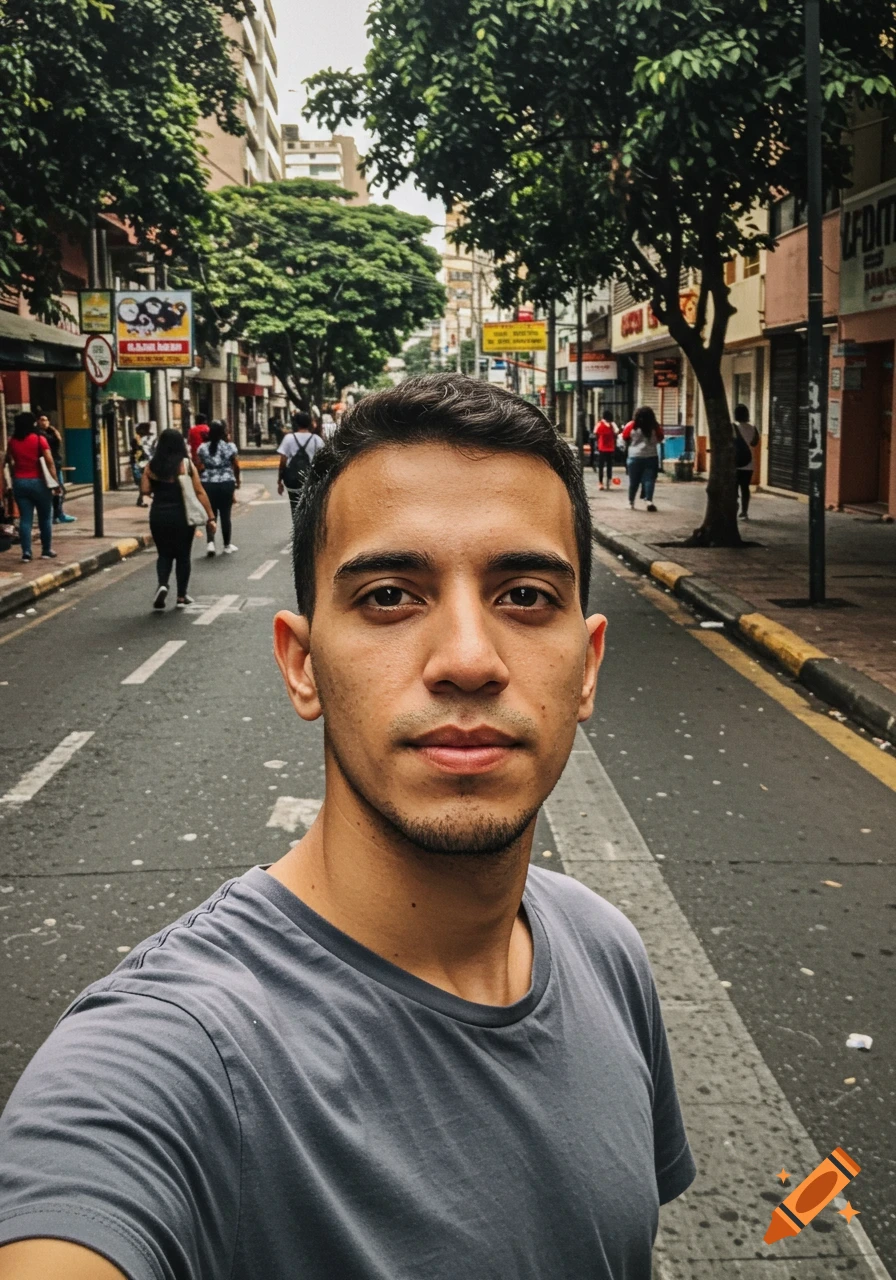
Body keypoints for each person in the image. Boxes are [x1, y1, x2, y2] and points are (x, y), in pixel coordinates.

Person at [0, 374, 695, 1280]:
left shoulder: (605, 952)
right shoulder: (173, 1061)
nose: (469, 661)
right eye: (389, 597)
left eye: (524, 596)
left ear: (588, 666)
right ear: (302, 665)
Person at [140, 427, 215, 610]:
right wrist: (210, 517)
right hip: (182, 516)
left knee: (164, 554)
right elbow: (199, 491)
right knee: (183, 555)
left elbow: (145, 490)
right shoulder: (186, 465)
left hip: (158, 515)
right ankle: (182, 596)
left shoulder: (152, 466)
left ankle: (163, 584)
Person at [3, 412, 60, 561]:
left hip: (20, 483)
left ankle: (26, 552)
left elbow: (8, 461)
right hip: (39, 482)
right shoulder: (40, 439)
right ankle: (46, 550)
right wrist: (55, 482)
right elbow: (49, 462)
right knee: (45, 517)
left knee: (25, 519)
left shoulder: (12, 441)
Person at [197, 419, 241, 555]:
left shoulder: (202, 448)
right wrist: (237, 481)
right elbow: (236, 466)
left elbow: (199, 466)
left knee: (211, 514)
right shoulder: (230, 447)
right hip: (226, 482)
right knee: (225, 515)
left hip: (208, 483)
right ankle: (227, 545)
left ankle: (210, 543)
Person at [277, 409, 325, 516]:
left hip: (293, 481)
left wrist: (279, 480)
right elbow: (323, 460)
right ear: (309, 424)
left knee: (295, 508)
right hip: (311, 480)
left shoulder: (288, 439)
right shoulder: (317, 440)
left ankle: (297, 529)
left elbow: (283, 461)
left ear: (296, 423)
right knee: (311, 510)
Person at [623, 407, 664, 512]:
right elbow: (660, 438)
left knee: (633, 482)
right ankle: (649, 501)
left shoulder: (631, 425)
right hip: (651, 456)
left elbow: (624, 437)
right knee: (649, 480)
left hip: (634, 457)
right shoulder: (655, 426)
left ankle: (630, 502)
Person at [734, 403, 760, 520]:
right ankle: (744, 512)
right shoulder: (753, 428)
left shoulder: (733, 427)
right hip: (748, 463)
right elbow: (754, 443)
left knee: (733, 488)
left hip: (735, 463)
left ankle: (734, 509)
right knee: (745, 488)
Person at [130, 423, 154, 508]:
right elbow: (137, 450)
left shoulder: (144, 439)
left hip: (142, 463)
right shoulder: (137, 439)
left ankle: (141, 498)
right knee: (142, 481)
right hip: (139, 463)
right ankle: (142, 499)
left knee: (143, 481)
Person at [595, 414, 618, 490]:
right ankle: (608, 481)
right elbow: (617, 432)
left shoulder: (599, 424)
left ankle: (601, 483)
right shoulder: (612, 424)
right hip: (609, 447)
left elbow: (595, 433)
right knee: (609, 466)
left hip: (602, 447)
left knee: (601, 466)